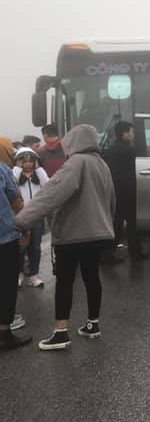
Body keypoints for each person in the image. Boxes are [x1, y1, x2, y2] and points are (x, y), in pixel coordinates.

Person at [15, 124, 116, 351]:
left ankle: (61, 333)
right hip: (98, 233)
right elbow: (112, 200)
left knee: (64, 282)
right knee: (92, 278)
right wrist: (108, 225)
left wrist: (20, 221)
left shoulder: (76, 163)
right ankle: (92, 325)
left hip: (73, 234)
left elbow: (50, 195)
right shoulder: (102, 164)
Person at [0, 137, 32, 350]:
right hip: (4, 237)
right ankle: (4, 333)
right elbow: (14, 196)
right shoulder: (2, 170)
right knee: (6, 285)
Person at [104, 121, 146, 262]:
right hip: (128, 190)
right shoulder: (129, 150)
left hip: (116, 190)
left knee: (117, 222)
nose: (133, 135)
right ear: (124, 133)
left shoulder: (111, 149)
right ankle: (134, 252)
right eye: (131, 132)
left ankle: (109, 254)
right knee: (131, 223)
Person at [13, 147, 49, 288]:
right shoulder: (15, 176)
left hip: (36, 217)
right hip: (20, 216)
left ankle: (34, 275)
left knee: (35, 246)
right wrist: (17, 168)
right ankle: (19, 274)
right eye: (24, 161)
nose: (28, 164)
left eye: (31, 161)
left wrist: (39, 170)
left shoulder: (38, 176)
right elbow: (10, 182)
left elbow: (48, 185)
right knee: (20, 248)